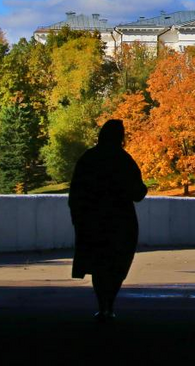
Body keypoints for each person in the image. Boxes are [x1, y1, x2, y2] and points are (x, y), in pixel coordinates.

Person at [69, 120, 148, 321]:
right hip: (121, 222)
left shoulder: (88, 159)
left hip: (93, 221)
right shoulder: (124, 160)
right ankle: (109, 305)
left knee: (99, 264)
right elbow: (138, 193)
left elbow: (76, 193)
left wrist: (79, 219)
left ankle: (102, 305)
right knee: (117, 263)